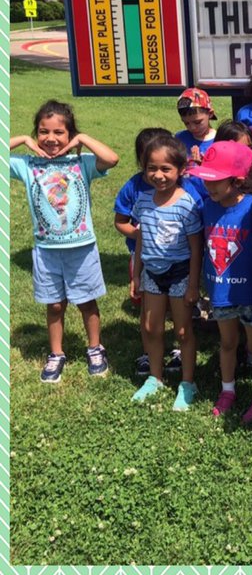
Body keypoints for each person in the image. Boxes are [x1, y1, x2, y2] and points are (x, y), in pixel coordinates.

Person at [10, 100, 119, 382]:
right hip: (46, 250)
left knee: (86, 302)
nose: (51, 138)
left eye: (59, 132)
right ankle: (56, 353)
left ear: (69, 135)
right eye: (43, 131)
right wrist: (22, 139)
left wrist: (82, 139)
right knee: (55, 304)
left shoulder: (82, 163)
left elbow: (112, 158)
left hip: (81, 248)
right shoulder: (27, 164)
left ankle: (95, 348)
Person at [116, 127, 205, 379]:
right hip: (151, 274)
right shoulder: (142, 200)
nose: (158, 175)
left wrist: (193, 285)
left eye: (166, 169)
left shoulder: (187, 202)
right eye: (151, 168)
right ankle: (155, 378)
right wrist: (136, 276)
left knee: (183, 331)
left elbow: (196, 246)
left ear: (181, 170)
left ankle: (188, 383)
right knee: (151, 328)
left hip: (180, 274)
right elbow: (142, 238)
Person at [192, 141, 252, 421]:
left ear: (237, 181)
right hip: (221, 292)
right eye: (206, 179)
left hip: (250, 293)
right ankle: (228, 390)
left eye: (215, 181)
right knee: (227, 343)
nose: (208, 186)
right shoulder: (206, 206)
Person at [175, 87, 218, 163]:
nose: (192, 128)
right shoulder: (179, 139)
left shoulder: (219, 140)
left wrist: (202, 166)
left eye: (197, 122)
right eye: (186, 123)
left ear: (210, 114)